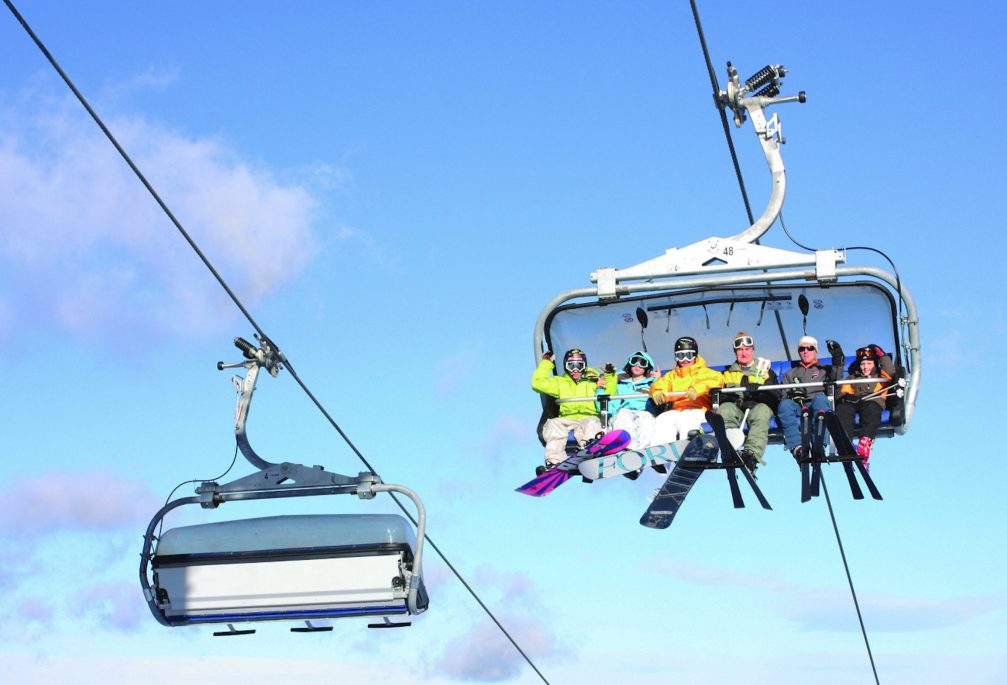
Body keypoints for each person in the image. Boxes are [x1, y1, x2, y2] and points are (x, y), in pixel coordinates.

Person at [531, 348, 606, 470]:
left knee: (592, 423)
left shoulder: (594, 381)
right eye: (571, 365)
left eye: (579, 365)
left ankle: (587, 449)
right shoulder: (560, 382)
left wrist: (608, 377)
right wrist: (546, 363)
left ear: (584, 366)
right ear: (566, 366)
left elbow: (610, 390)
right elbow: (537, 383)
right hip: (567, 418)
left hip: (588, 416)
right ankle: (554, 461)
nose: (575, 370)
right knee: (553, 424)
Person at [718, 331, 780, 472]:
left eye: (747, 349)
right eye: (740, 350)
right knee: (725, 410)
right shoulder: (727, 374)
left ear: (752, 350)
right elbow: (720, 397)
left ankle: (750, 455)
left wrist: (760, 393)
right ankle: (730, 447)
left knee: (761, 412)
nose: (744, 353)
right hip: (737, 407)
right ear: (735, 352)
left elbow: (776, 396)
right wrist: (732, 398)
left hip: (757, 406)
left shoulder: (765, 371)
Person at [776, 335, 843, 460]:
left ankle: (820, 443)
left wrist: (837, 358)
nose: (806, 351)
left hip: (816, 403)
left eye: (810, 348)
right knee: (785, 405)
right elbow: (784, 394)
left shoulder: (824, 369)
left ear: (815, 351)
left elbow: (836, 380)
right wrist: (792, 395)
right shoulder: (790, 373)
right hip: (798, 405)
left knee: (821, 400)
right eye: (802, 349)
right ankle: (797, 448)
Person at [649, 337, 723, 445]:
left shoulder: (704, 372)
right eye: (680, 356)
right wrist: (657, 391)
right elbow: (660, 384)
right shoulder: (672, 375)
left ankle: (690, 447)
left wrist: (697, 389)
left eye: (688, 355)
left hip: (699, 409)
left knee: (687, 419)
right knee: (662, 419)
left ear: (695, 355)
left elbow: (715, 380)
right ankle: (660, 454)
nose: (684, 359)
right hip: (677, 410)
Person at [835, 344, 897, 467]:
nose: (865, 367)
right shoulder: (853, 378)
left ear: (875, 363)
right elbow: (842, 393)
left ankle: (865, 442)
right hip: (855, 401)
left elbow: (890, 371)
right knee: (843, 409)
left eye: (869, 363)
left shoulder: (881, 376)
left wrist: (882, 356)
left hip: (873, 401)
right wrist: (845, 397)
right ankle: (845, 442)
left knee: (871, 409)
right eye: (863, 364)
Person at [597, 350, 660, 450]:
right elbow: (609, 403)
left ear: (647, 367)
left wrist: (657, 380)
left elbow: (659, 400)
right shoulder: (620, 385)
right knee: (622, 415)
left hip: (643, 413)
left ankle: (642, 450)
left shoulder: (651, 385)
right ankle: (620, 446)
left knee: (646, 420)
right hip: (624, 414)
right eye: (634, 361)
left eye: (642, 363)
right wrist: (601, 388)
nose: (637, 365)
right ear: (629, 363)